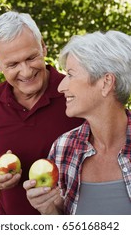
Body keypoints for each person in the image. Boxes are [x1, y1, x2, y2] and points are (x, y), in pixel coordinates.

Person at [0, 11, 83, 215]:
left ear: (43, 47)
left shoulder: (75, 92)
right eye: (13, 64)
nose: (26, 72)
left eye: (31, 57)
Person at [24, 30, 131, 215]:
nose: (60, 86)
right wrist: (49, 209)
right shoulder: (63, 147)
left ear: (106, 83)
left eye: (71, 75)